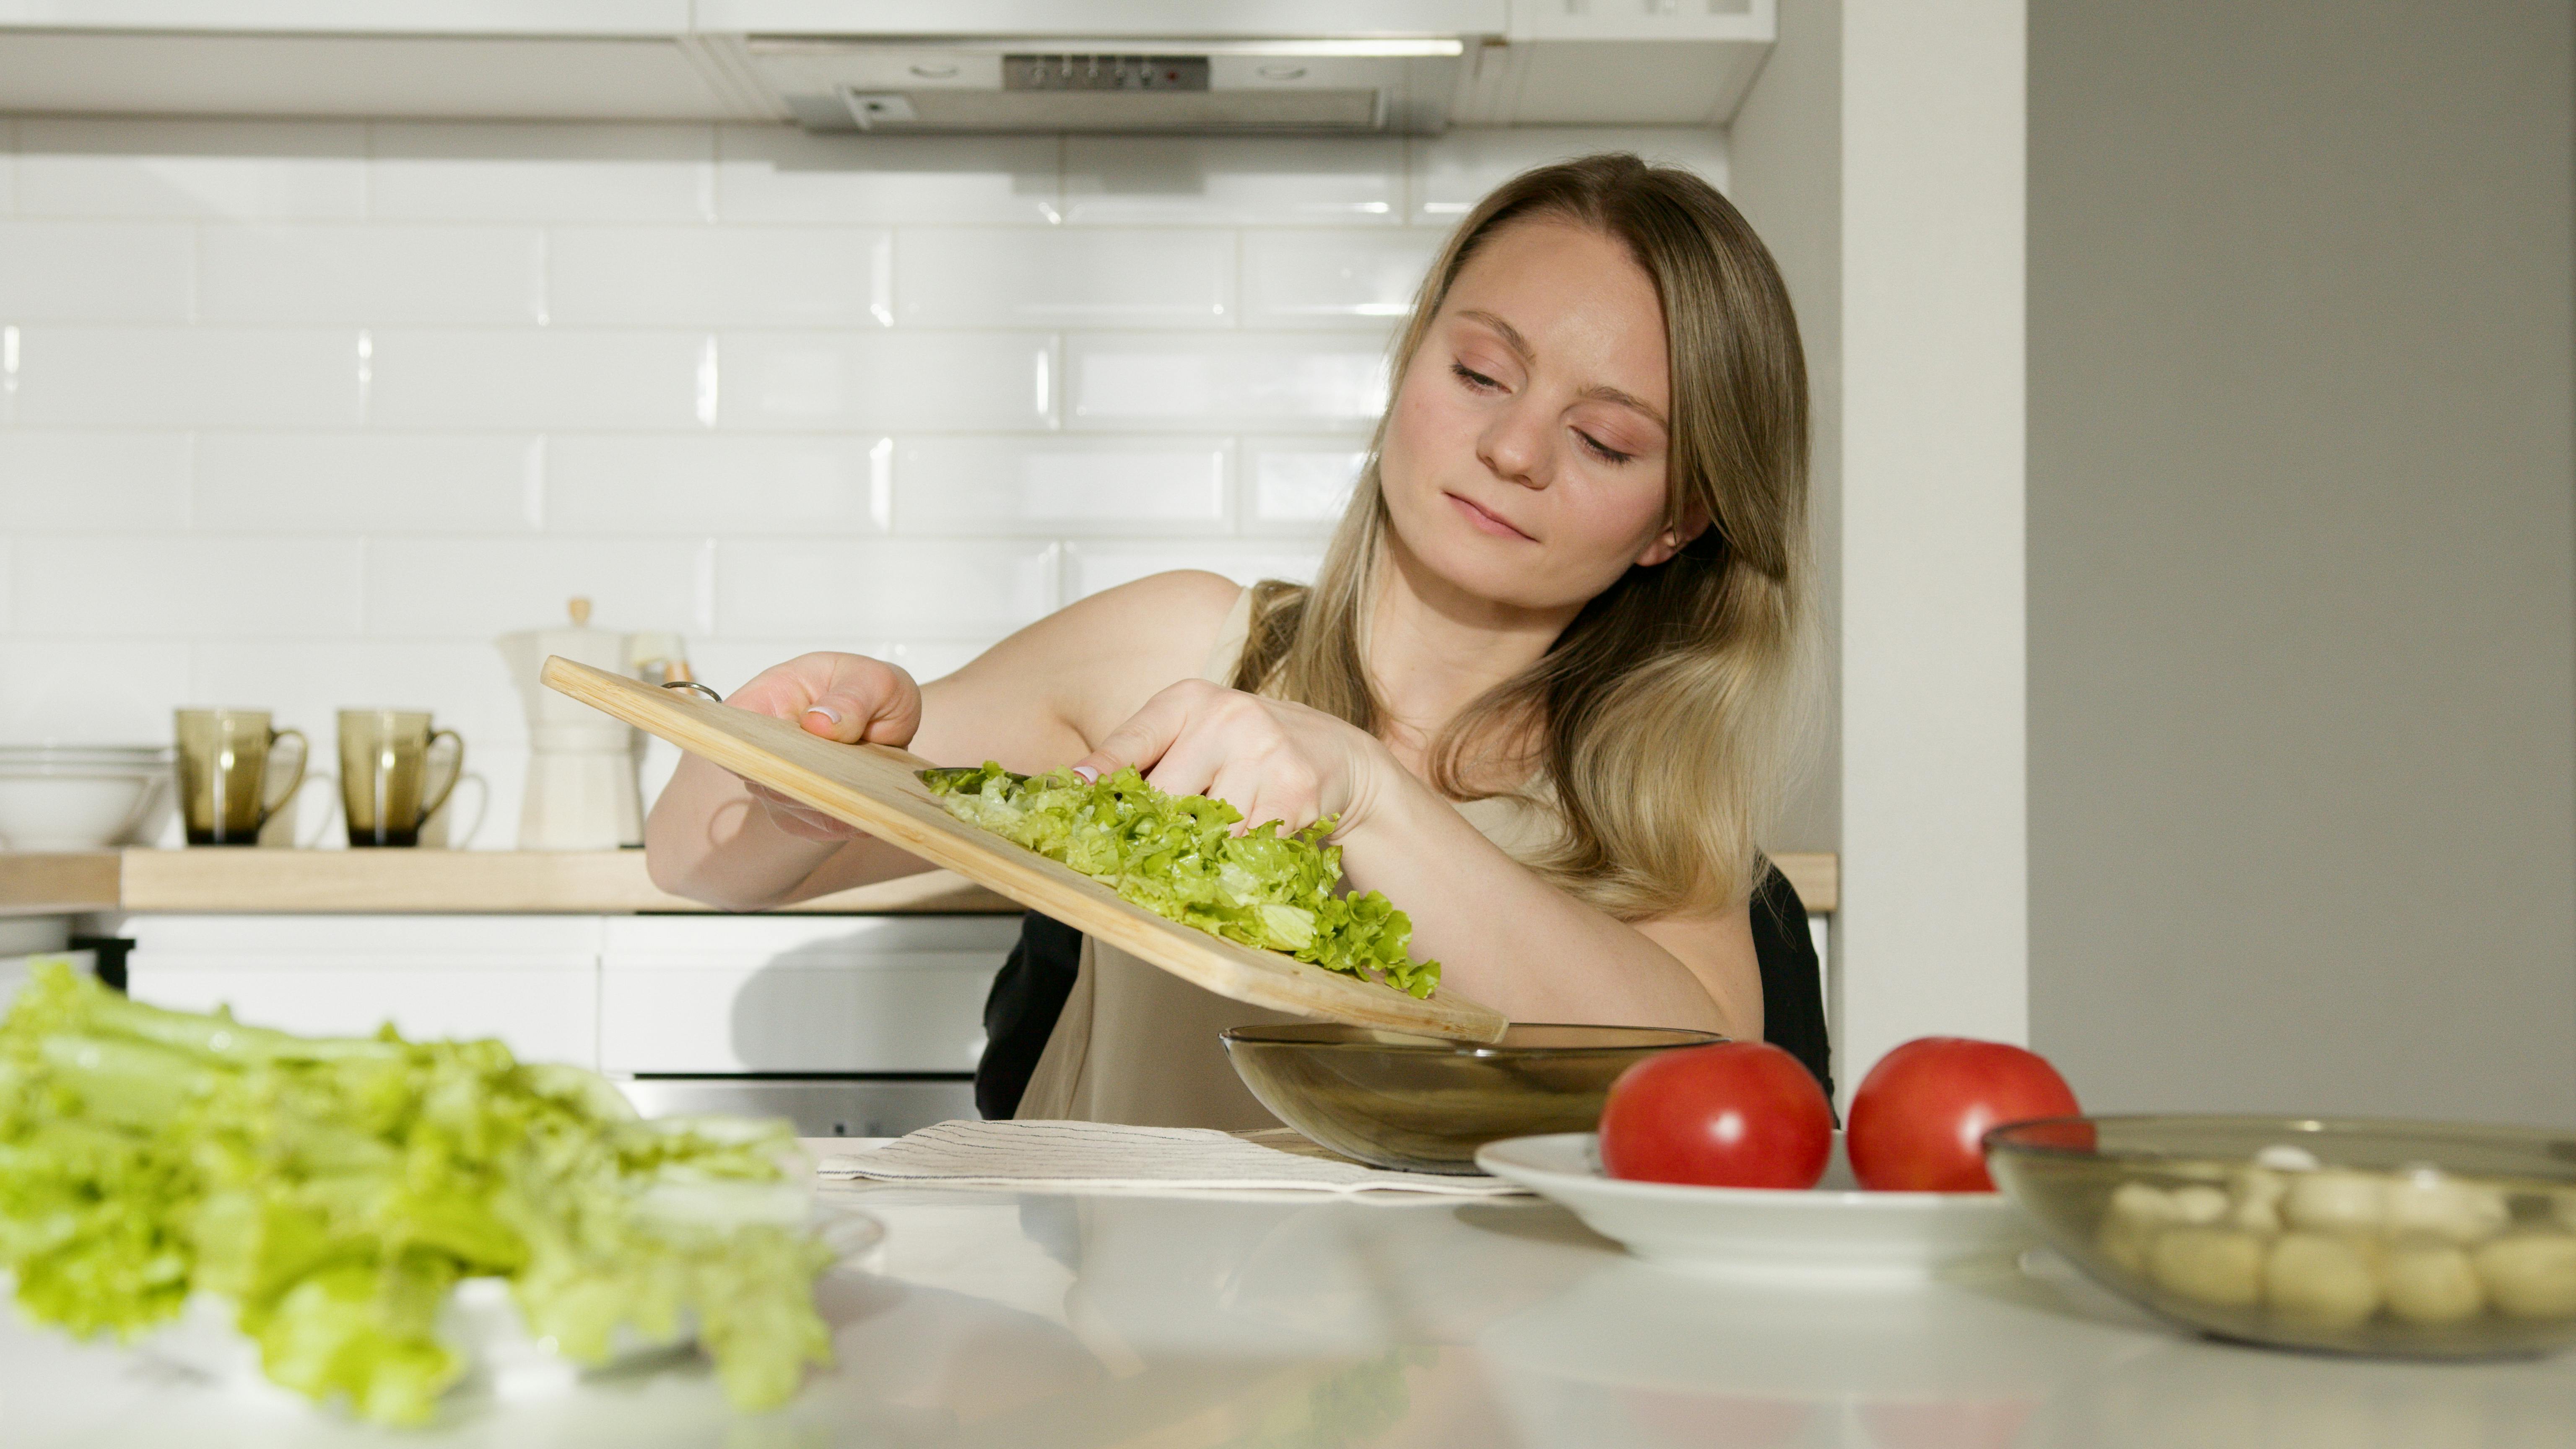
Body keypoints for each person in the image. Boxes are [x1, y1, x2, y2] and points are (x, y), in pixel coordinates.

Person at [647, 152, 1818, 1131]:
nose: (1514, 450)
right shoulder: (1183, 647)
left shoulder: (1650, 813)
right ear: (1411, 359)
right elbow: (696, 857)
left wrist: (1365, 794)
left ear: (1679, 521)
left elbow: (1700, 1073)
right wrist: (796, 766)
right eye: (1477, 374)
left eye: (1606, 442)